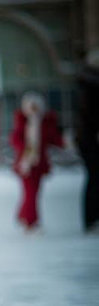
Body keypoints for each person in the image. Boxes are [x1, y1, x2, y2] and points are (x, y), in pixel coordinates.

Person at [10, 92, 65, 232]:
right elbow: (15, 139)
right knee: (30, 193)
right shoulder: (22, 122)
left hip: (39, 165)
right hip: (25, 164)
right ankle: (30, 221)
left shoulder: (45, 123)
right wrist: (25, 149)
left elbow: (54, 139)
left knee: (33, 193)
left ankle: (24, 216)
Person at [77, 51, 99, 233]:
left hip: (88, 139)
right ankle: (91, 219)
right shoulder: (90, 89)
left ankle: (92, 218)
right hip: (90, 140)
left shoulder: (87, 88)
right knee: (94, 178)